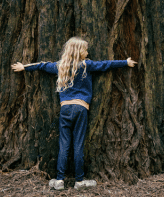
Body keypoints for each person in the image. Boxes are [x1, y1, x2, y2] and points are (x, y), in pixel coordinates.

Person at [11, 37, 137, 190]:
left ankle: (59, 180)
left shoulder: (60, 66)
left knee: (64, 144)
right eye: (85, 49)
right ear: (78, 52)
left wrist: (24, 67)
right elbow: (106, 64)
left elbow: (42, 65)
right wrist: (126, 62)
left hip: (65, 109)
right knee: (78, 144)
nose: (88, 52)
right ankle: (79, 181)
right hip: (80, 108)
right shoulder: (86, 65)